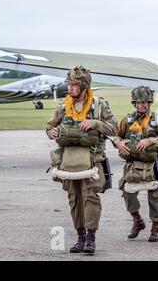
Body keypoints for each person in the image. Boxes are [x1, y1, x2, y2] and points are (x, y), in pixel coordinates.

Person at [46, 66, 118, 254]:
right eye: (69, 84)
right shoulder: (63, 106)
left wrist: (95, 123)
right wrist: (51, 132)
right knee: (74, 199)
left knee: (91, 198)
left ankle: (91, 237)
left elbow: (114, 128)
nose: (69, 88)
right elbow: (50, 126)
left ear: (84, 86)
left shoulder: (99, 105)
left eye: (74, 85)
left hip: (91, 161)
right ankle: (80, 236)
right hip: (68, 162)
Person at [115, 86, 158, 242]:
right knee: (127, 193)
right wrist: (119, 143)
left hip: (152, 164)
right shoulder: (127, 120)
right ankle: (137, 220)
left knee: (155, 196)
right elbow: (116, 136)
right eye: (139, 102)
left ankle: (155, 227)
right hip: (132, 164)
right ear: (134, 103)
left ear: (150, 102)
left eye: (145, 102)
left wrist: (150, 141)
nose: (142, 105)